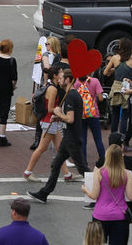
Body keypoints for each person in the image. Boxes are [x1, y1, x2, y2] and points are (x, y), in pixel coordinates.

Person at [28, 68, 90, 203]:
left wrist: (58, 113)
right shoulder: (72, 95)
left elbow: (70, 119)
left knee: (83, 170)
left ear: (68, 80)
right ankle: (44, 193)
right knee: (56, 164)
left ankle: (101, 192)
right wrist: (58, 118)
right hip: (70, 137)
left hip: (72, 139)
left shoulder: (71, 96)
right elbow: (69, 118)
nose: (59, 80)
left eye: (61, 78)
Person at [81, 144, 132, 245]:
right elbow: (131, 196)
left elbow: (94, 195)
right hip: (120, 216)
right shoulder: (126, 173)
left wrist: (85, 190)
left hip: (100, 216)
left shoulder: (100, 173)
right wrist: (131, 185)